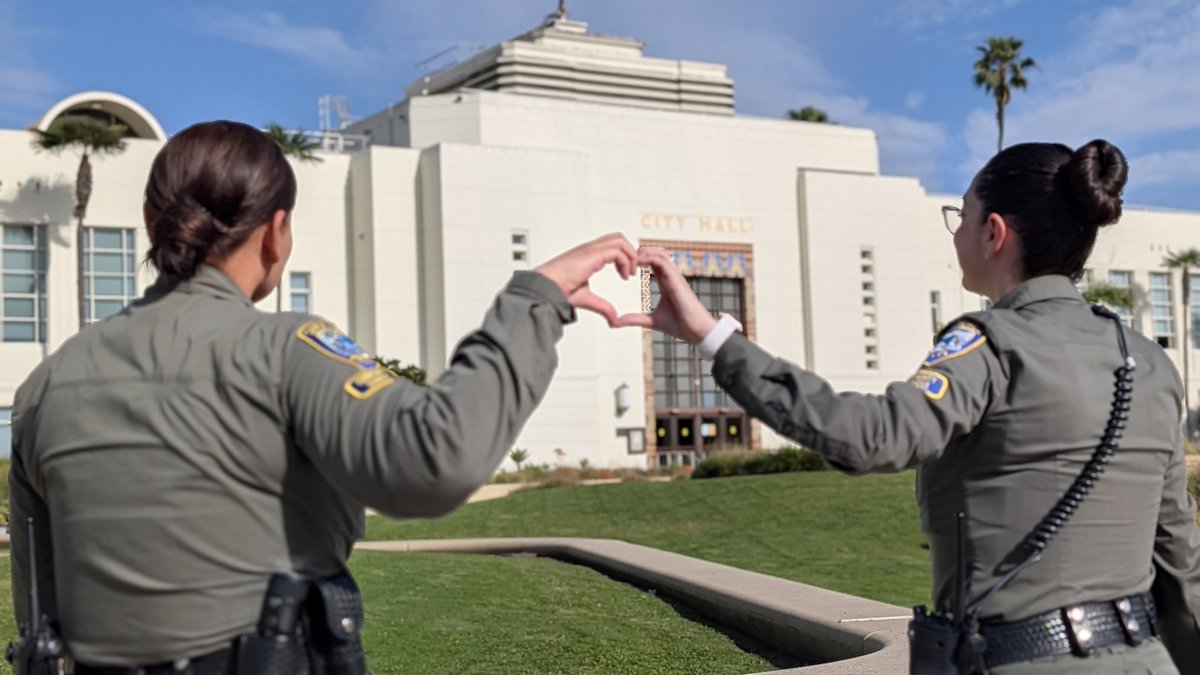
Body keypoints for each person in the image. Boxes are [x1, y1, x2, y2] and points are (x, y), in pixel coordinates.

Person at [7, 120, 637, 673]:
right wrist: (536, 299)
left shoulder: (44, 388)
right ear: (277, 234)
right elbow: (438, 457)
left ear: (153, 224)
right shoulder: (286, 348)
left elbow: (40, 612)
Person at [619, 140, 1200, 674]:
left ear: (994, 232)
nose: (956, 236)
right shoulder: (1148, 363)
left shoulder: (988, 344)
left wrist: (713, 337)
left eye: (961, 217)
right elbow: (1178, 557)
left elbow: (874, 434)